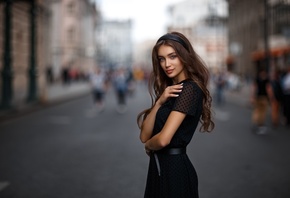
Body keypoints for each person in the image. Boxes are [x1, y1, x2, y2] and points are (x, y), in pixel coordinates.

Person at [137, 32, 215, 198]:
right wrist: (159, 102)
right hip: (160, 168)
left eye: (172, 56)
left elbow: (163, 139)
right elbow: (144, 135)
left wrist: (149, 146)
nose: (167, 64)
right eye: (162, 59)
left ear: (184, 56)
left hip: (174, 172)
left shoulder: (189, 89)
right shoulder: (170, 90)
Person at [250, 69, 274, 134]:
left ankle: (255, 122)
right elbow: (269, 89)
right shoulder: (267, 80)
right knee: (262, 112)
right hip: (264, 97)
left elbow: (253, 88)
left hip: (258, 97)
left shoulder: (257, 79)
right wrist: (271, 97)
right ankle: (260, 124)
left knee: (257, 111)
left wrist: (252, 97)